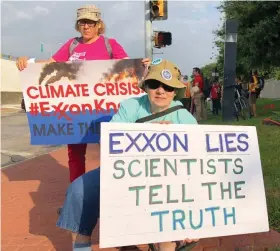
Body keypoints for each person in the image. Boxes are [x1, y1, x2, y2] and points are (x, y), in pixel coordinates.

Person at [56, 59, 199, 251]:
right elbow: (110, 142)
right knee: (79, 190)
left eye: (168, 86)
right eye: (154, 84)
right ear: (146, 86)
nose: (160, 91)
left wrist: (195, 220)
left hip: (166, 179)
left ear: (175, 91)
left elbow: (198, 165)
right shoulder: (129, 107)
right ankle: (81, 245)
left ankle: (170, 242)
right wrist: (143, 134)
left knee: (169, 207)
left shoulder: (185, 118)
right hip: (124, 171)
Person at [15, 4, 150, 184]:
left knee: (110, 152)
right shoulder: (72, 45)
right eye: (82, 23)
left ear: (98, 24)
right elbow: (50, 65)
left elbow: (127, 68)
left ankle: (112, 192)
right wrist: (28, 62)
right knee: (75, 156)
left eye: (90, 23)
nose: (86, 26)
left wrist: (142, 66)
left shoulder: (110, 44)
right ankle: (76, 196)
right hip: (76, 112)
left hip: (105, 110)